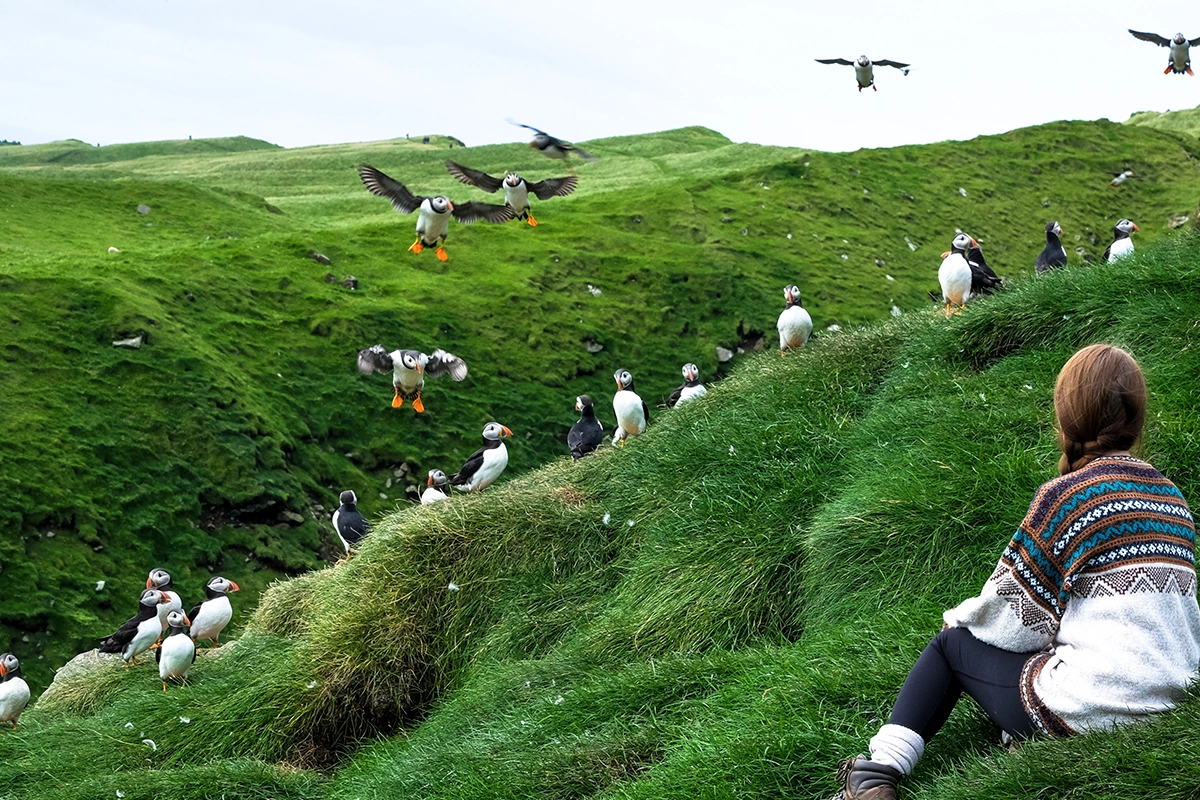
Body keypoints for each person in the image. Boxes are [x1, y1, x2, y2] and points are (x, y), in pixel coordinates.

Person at [832, 344, 1200, 800]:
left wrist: (960, 621)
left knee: (952, 647)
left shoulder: (1066, 497)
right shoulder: (1174, 501)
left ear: (1064, 418)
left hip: (1098, 705)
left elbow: (1010, 619)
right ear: (1136, 420)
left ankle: (874, 775)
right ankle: (1016, 738)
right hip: (1172, 699)